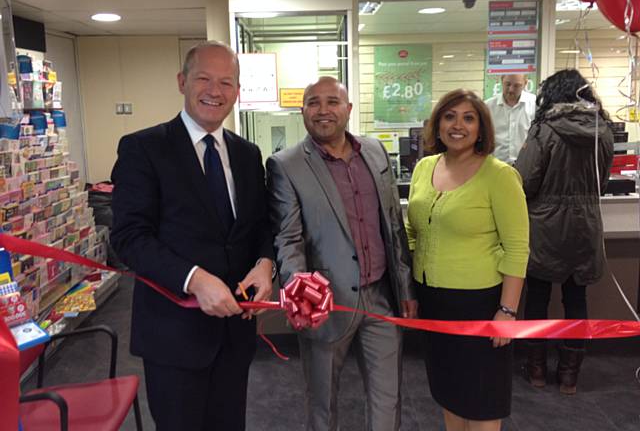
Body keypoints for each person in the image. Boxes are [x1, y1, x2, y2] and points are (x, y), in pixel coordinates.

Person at [110, 41, 275, 431]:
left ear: (237, 92)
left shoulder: (247, 154)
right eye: (203, 78)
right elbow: (129, 237)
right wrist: (194, 279)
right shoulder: (143, 148)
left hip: (235, 333)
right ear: (182, 81)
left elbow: (260, 225)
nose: (214, 91)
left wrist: (266, 264)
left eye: (226, 82)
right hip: (174, 335)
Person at [267, 76, 417, 431]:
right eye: (313, 103)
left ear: (348, 109)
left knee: (387, 400)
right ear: (302, 111)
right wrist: (300, 288)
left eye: (332, 102)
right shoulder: (285, 164)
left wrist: (406, 288)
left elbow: (393, 224)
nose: (323, 111)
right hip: (327, 305)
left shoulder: (375, 151)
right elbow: (288, 238)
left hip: (381, 298)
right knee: (322, 406)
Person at [406, 89, 529, 431]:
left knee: (481, 400)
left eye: (468, 118)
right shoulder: (424, 168)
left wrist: (507, 311)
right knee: (448, 393)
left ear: (481, 128)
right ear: (438, 124)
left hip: (480, 304)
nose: (457, 125)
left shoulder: (499, 175)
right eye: (449, 116)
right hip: (433, 302)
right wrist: (413, 293)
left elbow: (518, 248)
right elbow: (413, 231)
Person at [515, 69, 614, 395]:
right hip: (586, 226)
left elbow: (525, 181)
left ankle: (537, 368)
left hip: (545, 226)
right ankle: (570, 376)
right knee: (576, 299)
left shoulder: (544, 130)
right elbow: (601, 183)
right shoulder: (603, 130)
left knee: (538, 298)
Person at [485, 73, 536, 164]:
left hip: (527, 165)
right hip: (497, 165)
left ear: (525, 84)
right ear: (502, 81)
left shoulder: (535, 105)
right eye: (507, 84)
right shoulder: (488, 106)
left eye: (517, 85)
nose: (511, 89)